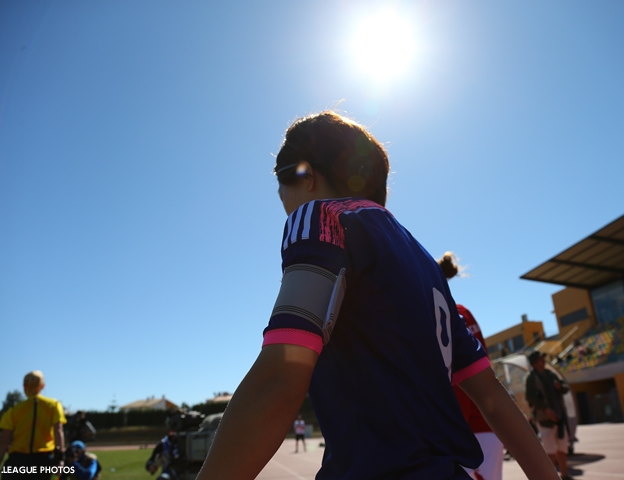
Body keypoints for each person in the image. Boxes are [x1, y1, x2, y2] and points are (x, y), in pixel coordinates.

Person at [195, 111, 560, 480]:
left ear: (306, 177)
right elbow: (493, 397)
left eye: (281, 186)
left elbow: (280, 376)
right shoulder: (425, 263)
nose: (282, 201)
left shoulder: (321, 218)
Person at [438, 252, 503, 480]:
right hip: (487, 423)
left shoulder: (444, 316)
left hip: (465, 429)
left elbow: (459, 381)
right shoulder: (463, 312)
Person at [0, 371, 66, 480]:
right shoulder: (53, 405)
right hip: (42, 461)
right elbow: (58, 432)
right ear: (42, 386)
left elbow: (3, 442)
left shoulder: (14, 411)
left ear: (24, 386)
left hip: (17, 461)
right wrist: (60, 459)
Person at [525, 351, 573, 480]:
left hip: (559, 416)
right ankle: (551, 477)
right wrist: (546, 410)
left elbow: (565, 387)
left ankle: (565, 475)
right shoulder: (531, 378)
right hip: (544, 418)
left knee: (562, 447)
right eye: (541, 359)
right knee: (549, 449)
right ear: (535, 363)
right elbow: (531, 397)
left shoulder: (550, 374)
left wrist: (560, 387)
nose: (543, 361)